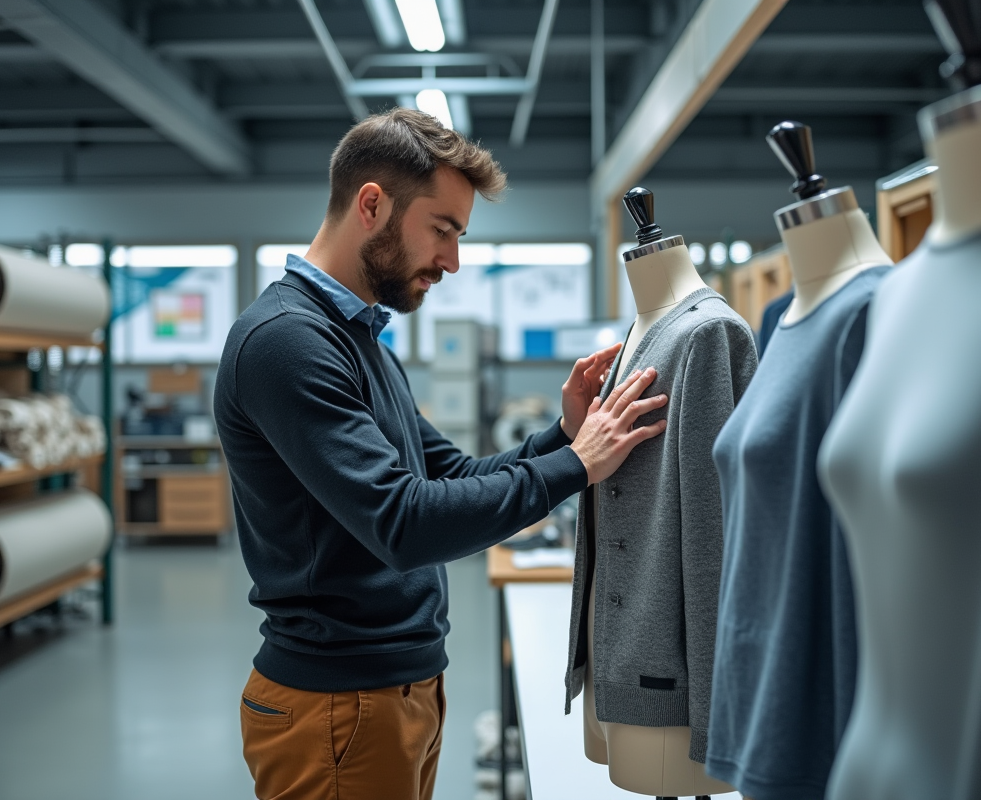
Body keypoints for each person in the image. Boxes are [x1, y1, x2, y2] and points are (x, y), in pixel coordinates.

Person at [214, 108, 668, 800]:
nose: (452, 261)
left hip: (393, 692)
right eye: (444, 230)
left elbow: (448, 474)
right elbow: (406, 522)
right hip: (341, 703)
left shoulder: (359, 336)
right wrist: (577, 466)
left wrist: (564, 437)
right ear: (372, 205)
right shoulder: (287, 342)